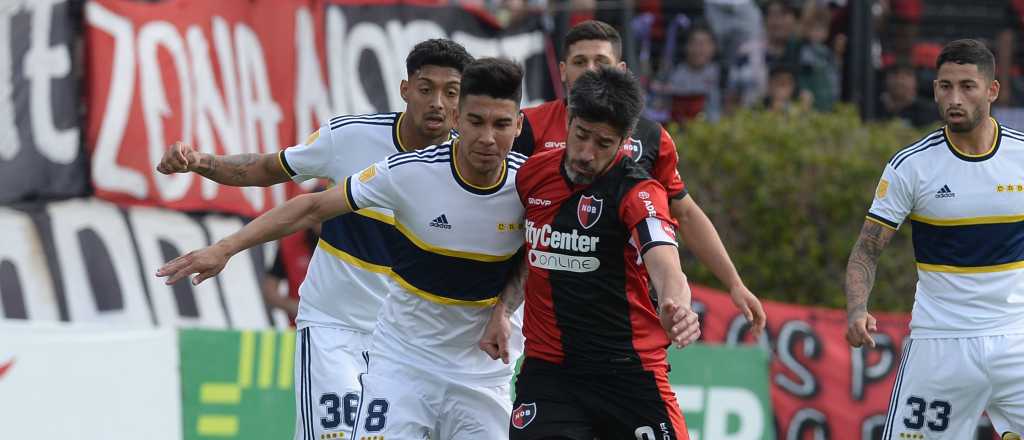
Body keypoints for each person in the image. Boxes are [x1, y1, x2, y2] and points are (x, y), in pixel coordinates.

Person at [157, 58, 558, 440]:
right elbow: (303, 199)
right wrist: (224, 242)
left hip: (476, 368)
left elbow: (534, 252)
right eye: (427, 89)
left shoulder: (531, 186)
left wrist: (505, 310)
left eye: (501, 124)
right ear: (454, 116)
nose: (487, 137)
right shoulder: (398, 164)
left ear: (518, 124)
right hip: (373, 344)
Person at [513, 20, 766, 335]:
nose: (590, 71)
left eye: (600, 62)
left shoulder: (649, 136)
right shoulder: (528, 126)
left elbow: (684, 214)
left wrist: (734, 283)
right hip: (540, 305)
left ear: (620, 70)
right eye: (580, 62)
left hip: (619, 306)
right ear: (562, 70)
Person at [488, 66, 700, 439]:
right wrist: (503, 310)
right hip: (551, 374)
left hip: (628, 373)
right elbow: (530, 250)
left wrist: (677, 304)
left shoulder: (639, 192)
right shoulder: (531, 175)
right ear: (568, 119)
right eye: (581, 135)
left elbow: (667, 265)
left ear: (625, 140)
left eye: (603, 144)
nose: (586, 153)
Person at [845, 39, 1024, 439]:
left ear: (992, 90)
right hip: (941, 344)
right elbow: (867, 249)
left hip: (1017, 338)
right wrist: (857, 308)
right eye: (945, 86)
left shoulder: (1021, 157)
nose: (954, 98)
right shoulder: (912, 166)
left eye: (967, 86)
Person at [874, 61, 939, 128]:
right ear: (885, 79)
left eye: (907, 74)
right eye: (895, 74)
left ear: (916, 81)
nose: (899, 80)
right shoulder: (871, 108)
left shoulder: (929, 112)